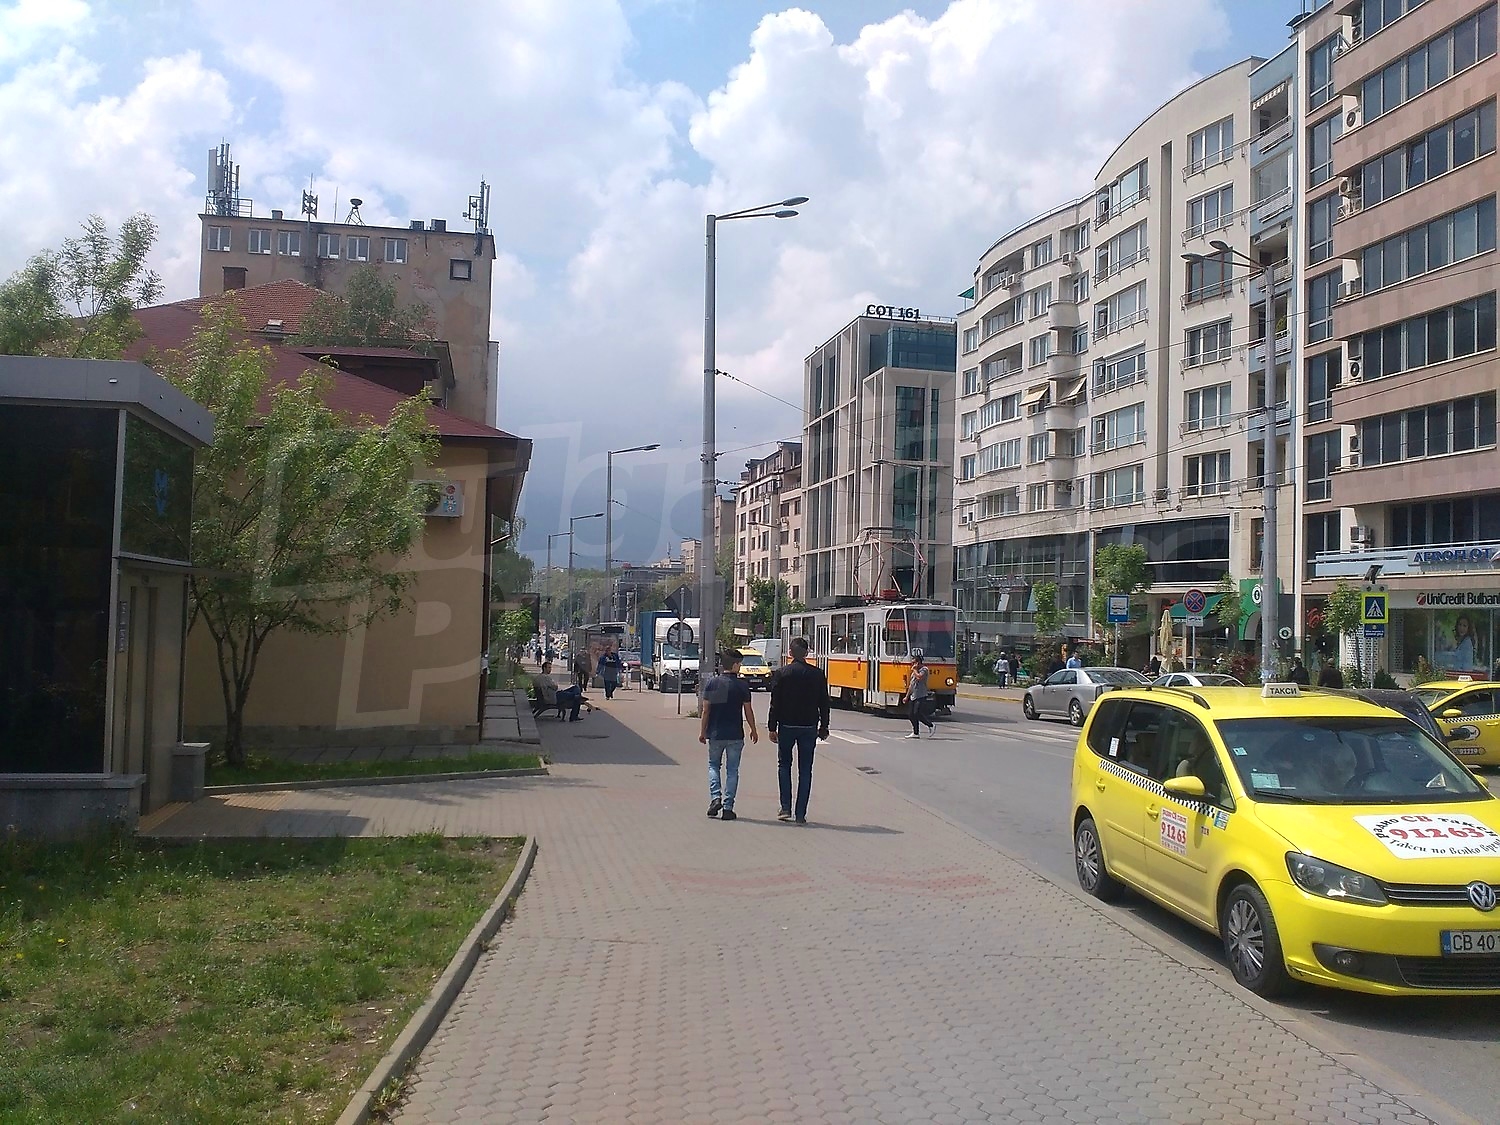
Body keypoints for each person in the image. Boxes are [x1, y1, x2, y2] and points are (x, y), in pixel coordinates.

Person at [767, 637, 829, 824]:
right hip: (809, 726)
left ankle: (785, 808)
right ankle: (801, 813)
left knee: (784, 765)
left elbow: (775, 702)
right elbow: (824, 703)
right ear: (807, 653)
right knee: (805, 769)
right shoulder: (817, 674)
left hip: (786, 725)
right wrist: (824, 726)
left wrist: (772, 727)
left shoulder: (782, 673)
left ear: (790, 653)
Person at [699, 649, 759, 821]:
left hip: (715, 733)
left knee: (713, 766)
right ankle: (728, 807)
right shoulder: (742, 685)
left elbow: (706, 710)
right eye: (739, 664)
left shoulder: (712, 683)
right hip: (735, 734)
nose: (740, 666)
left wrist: (703, 732)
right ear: (734, 665)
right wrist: (753, 729)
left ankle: (715, 797)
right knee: (732, 770)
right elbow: (748, 710)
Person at [903, 650, 936, 739]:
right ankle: (915, 733)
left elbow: (919, 677)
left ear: (918, 663)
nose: (912, 665)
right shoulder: (914, 672)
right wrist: (906, 696)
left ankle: (931, 725)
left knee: (917, 713)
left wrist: (914, 670)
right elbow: (911, 685)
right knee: (911, 714)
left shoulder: (924, 670)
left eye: (914, 663)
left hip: (921, 695)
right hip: (913, 696)